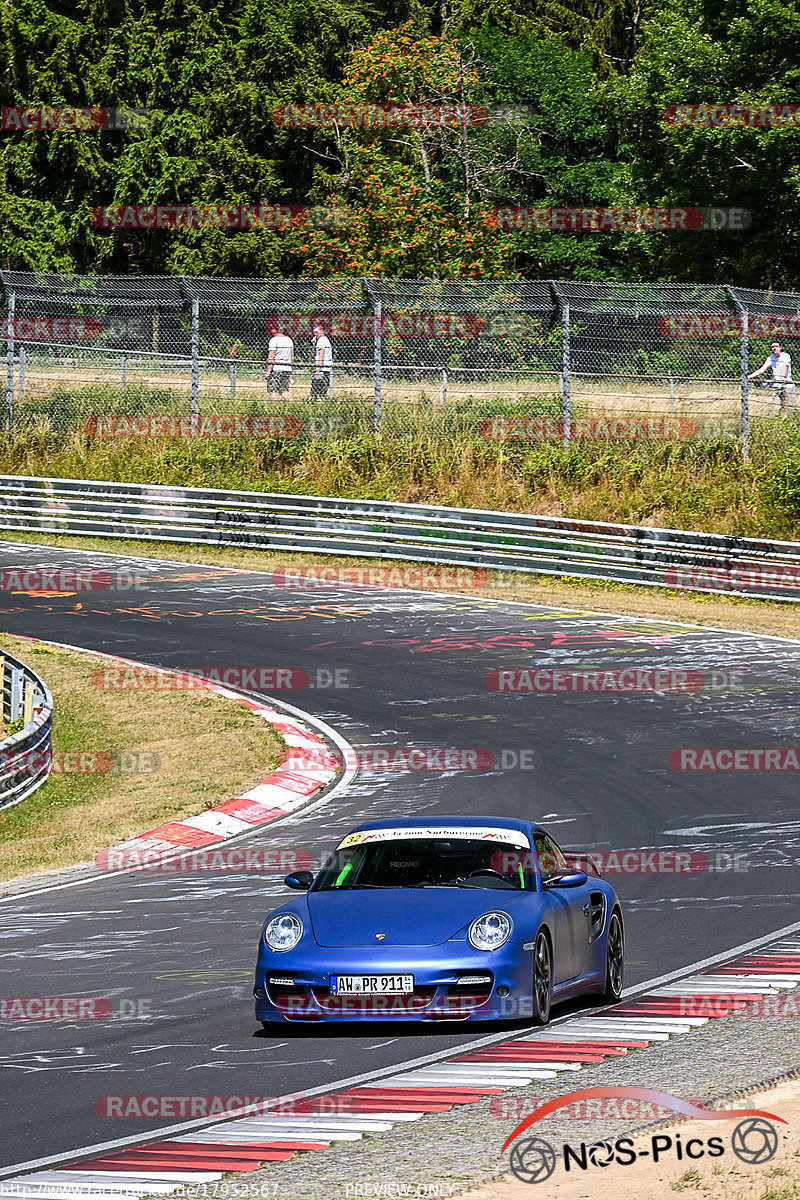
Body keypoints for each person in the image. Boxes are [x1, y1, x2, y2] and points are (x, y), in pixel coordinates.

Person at [748, 340, 794, 412]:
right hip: (776, 385)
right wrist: (749, 377)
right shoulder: (770, 358)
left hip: (787, 385)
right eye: (772, 347)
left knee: (788, 408)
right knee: (775, 408)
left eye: (776, 346)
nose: (774, 348)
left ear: (780, 347)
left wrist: (782, 378)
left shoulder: (785, 356)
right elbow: (762, 369)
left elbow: (785, 367)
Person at [265, 321, 294, 396]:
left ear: (275, 329)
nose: (270, 330)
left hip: (276, 369)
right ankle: (291, 405)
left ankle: (274, 407)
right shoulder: (289, 340)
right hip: (287, 368)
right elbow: (292, 356)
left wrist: (268, 371)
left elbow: (271, 356)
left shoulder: (274, 340)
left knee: (273, 391)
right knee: (284, 390)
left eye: (271, 328)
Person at [310, 320, 333, 398]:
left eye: (316, 332)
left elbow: (321, 356)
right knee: (319, 391)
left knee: (316, 392)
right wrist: (313, 344)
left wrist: (317, 370)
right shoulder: (320, 340)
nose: (314, 334)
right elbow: (314, 355)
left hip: (322, 369)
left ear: (321, 331)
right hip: (324, 368)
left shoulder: (322, 341)